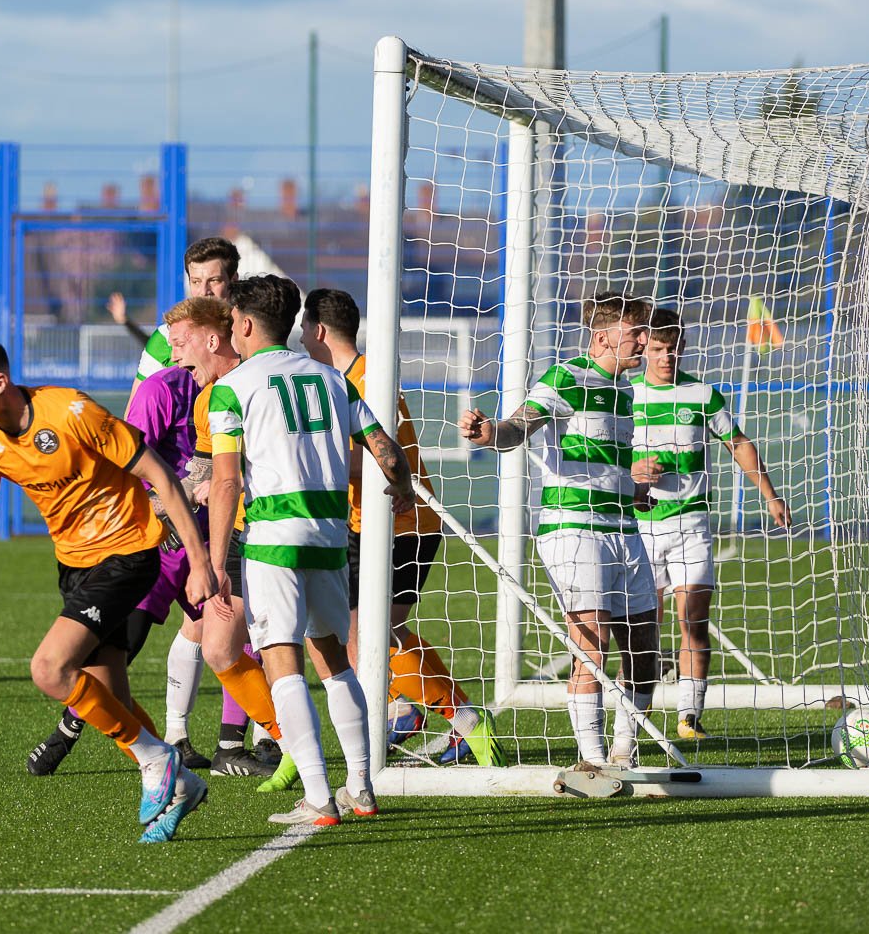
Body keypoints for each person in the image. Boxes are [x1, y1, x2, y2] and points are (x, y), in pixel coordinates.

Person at [0, 336, 214, 844]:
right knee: (111, 696)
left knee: (49, 670)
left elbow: (161, 475)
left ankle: (158, 763)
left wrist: (199, 562)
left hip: (129, 553)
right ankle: (180, 785)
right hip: (74, 568)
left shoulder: (71, 411)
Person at [26, 309, 270, 780]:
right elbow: (139, 474)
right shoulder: (164, 390)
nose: (173, 352)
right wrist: (170, 508)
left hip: (223, 533)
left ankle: (233, 746)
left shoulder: (236, 386)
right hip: (164, 539)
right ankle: (77, 731)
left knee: (236, 633)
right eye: (199, 282)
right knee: (121, 644)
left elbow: (214, 472)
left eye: (218, 282)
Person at [208, 275, 417, 826]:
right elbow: (387, 452)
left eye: (232, 322)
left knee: (282, 662)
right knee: (334, 663)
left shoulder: (233, 387)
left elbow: (227, 483)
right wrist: (399, 490)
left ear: (247, 324)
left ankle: (320, 798)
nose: (231, 330)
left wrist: (212, 562)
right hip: (329, 537)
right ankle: (362, 788)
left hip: (273, 538)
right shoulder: (333, 378)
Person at [299, 288, 508, 768]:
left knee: (363, 633)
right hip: (368, 527)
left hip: (400, 524)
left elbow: (377, 455)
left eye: (306, 329)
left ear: (320, 330)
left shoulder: (370, 378)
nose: (303, 338)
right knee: (374, 631)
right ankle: (410, 710)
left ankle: (462, 720)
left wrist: (302, 460)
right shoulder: (341, 377)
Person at [457, 293, 660, 769]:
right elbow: (517, 427)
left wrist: (633, 489)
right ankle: (590, 759)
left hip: (625, 528)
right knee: (591, 641)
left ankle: (624, 751)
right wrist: (490, 435)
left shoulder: (627, 392)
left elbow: (607, 464)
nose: (645, 341)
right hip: (573, 529)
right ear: (602, 337)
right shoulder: (565, 378)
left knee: (645, 644)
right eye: (637, 332)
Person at [630, 307, 791, 739]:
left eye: (674, 349)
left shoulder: (702, 395)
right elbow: (605, 453)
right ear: (644, 347)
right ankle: (634, 715)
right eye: (659, 349)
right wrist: (634, 471)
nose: (667, 357)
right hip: (640, 529)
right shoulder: (627, 395)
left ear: (683, 347)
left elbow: (737, 443)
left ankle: (689, 716)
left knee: (693, 621)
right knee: (645, 627)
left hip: (691, 526)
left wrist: (770, 496)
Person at [168, 296, 293, 786]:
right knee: (220, 646)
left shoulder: (262, 379)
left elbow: (225, 480)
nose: (175, 357)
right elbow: (207, 475)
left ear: (212, 339)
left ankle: (452, 719)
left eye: (181, 344)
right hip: (245, 537)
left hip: (295, 529)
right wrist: (164, 503)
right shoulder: (204, 400)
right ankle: (290, 744)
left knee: (333, 651)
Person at [130, 236, 240, 400]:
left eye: (214, 281)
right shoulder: (165, 337)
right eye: (196, 282)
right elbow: (136, 411)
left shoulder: (248, 330)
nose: (204, 291)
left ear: (233, 280)